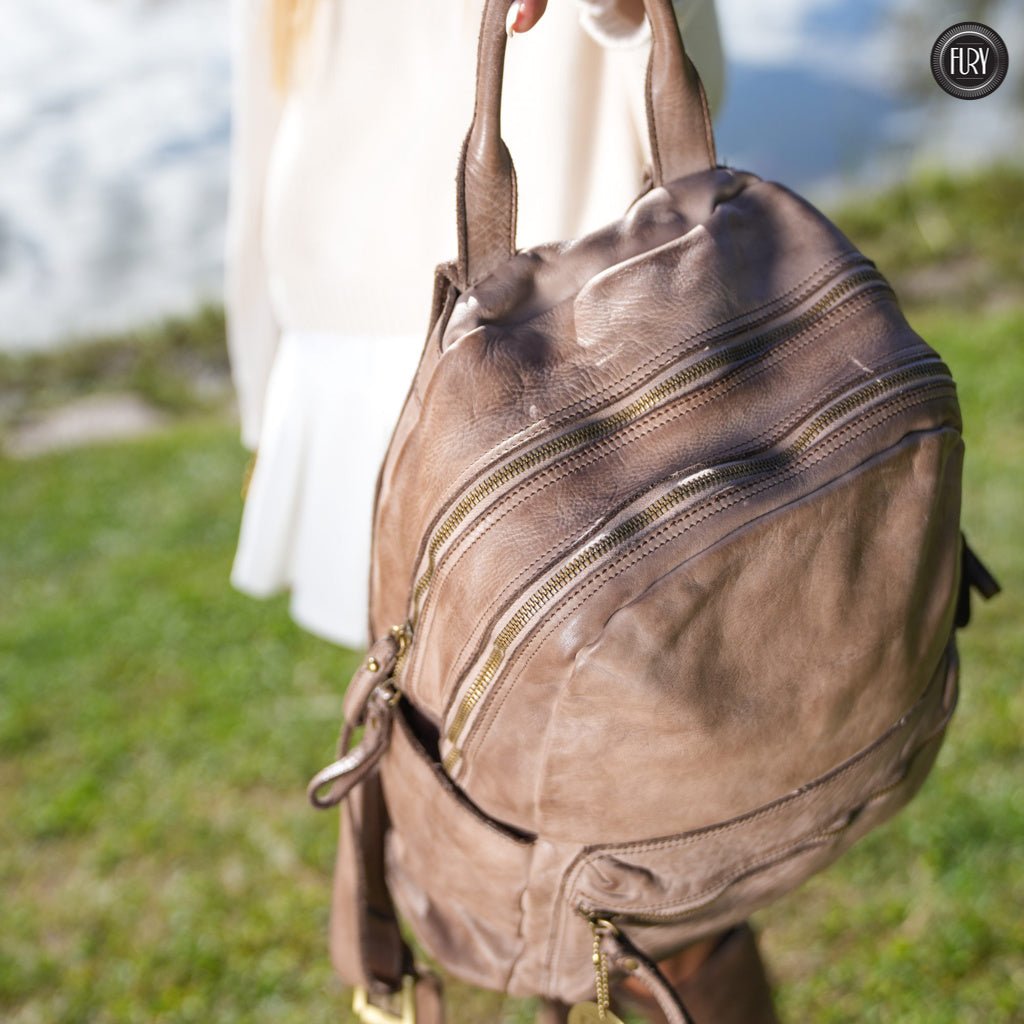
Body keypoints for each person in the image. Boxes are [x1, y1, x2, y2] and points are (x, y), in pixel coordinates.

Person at [225, 1, 777, 1020]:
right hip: (352, 365)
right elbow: (270, 115)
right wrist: (265, 381)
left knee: (649, 845)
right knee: (455, 812)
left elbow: (678, 43)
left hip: (564, 351)